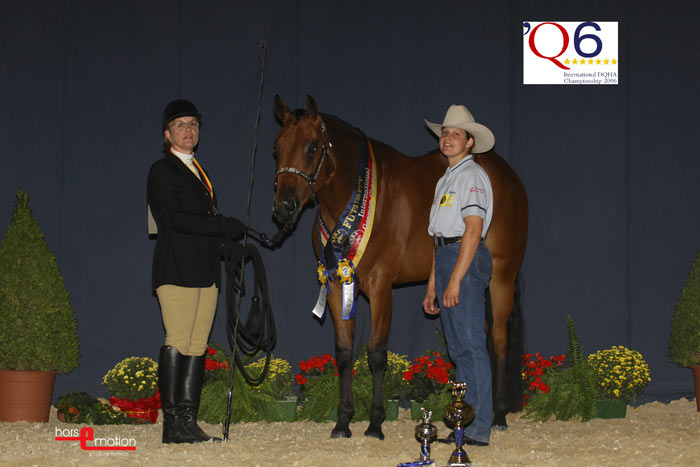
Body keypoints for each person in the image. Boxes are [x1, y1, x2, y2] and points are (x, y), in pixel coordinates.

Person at [147, 99, 246, 443]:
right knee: (178, 340)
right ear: (167, 134)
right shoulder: (162, 171)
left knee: (198, 343)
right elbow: (172, 218)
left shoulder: (200, 173)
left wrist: (226, 244)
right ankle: (172, 423)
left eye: (193, 124)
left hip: (205, 270)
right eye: (180, 124)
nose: (188, 130)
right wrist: (219, 225)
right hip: (176, 268)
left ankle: (188, 419)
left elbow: (202, 223)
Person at [422, 104, 495, 446]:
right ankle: (466, 422)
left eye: (456, 134)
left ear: (469, 142)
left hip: (463, 258)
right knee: (459, 349)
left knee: (470, 346)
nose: (448, 138)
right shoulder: (446, 179)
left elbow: (472, 230)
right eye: (445, 133)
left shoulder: (472, 176)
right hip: (446, 257)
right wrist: (432, 285)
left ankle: (477, 428)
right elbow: (439, 237)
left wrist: (454, 280)